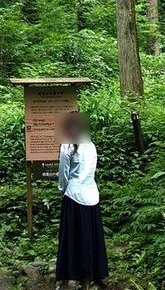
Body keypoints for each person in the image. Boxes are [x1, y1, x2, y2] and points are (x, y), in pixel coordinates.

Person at [55, 111, 108, 289]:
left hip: (73, 197)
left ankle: (65, 282)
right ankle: (86, 282)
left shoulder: (67, 146)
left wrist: (62, 190)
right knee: (88, 240)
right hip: (92, 196)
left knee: (69, 241)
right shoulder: (90, 145)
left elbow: (63, 174)